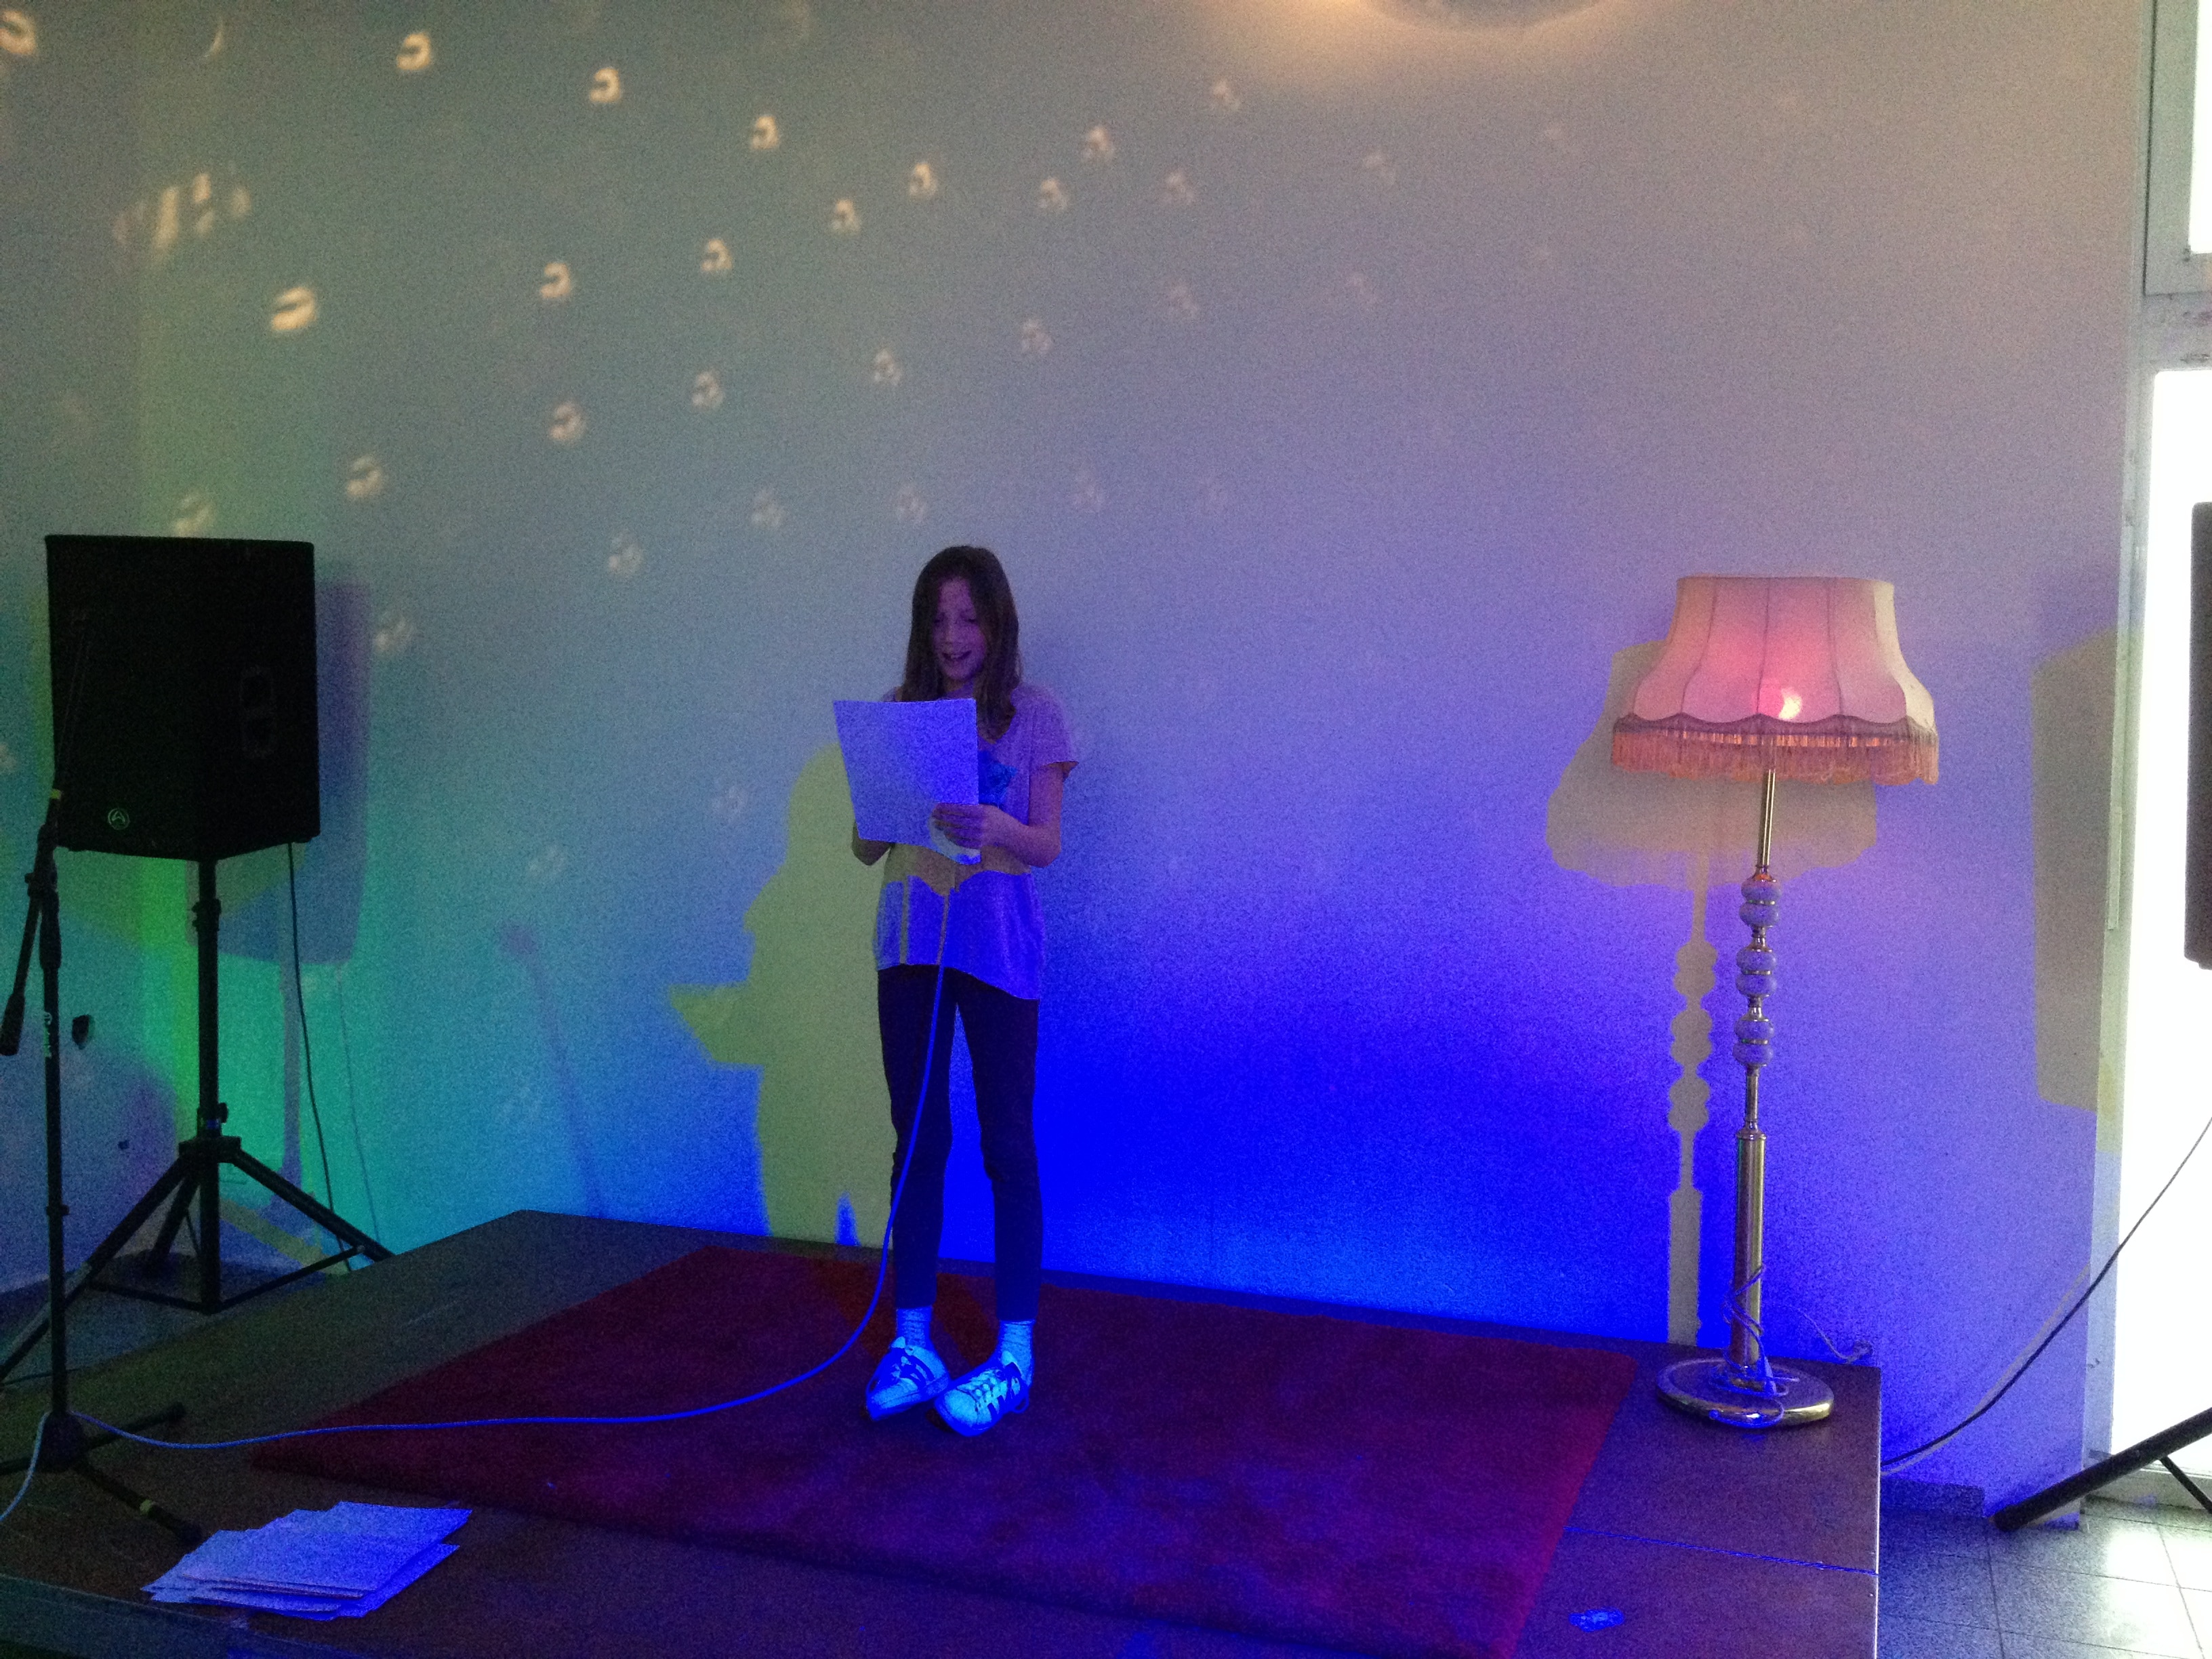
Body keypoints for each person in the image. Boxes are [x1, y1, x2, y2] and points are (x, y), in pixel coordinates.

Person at [851, 546, 1077, 1435]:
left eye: (969, 619)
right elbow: (866, 846)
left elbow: (1046, 844)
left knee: (1008, 1145)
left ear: (997, 623)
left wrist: (997, 825)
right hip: (911, 945)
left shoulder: (1036, 714)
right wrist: (890, 801)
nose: (952, 637)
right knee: (918, 1141)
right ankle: (914, 1343)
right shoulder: (902, 711)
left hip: (999, 951)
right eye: (938, 620)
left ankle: (1014, 1356)